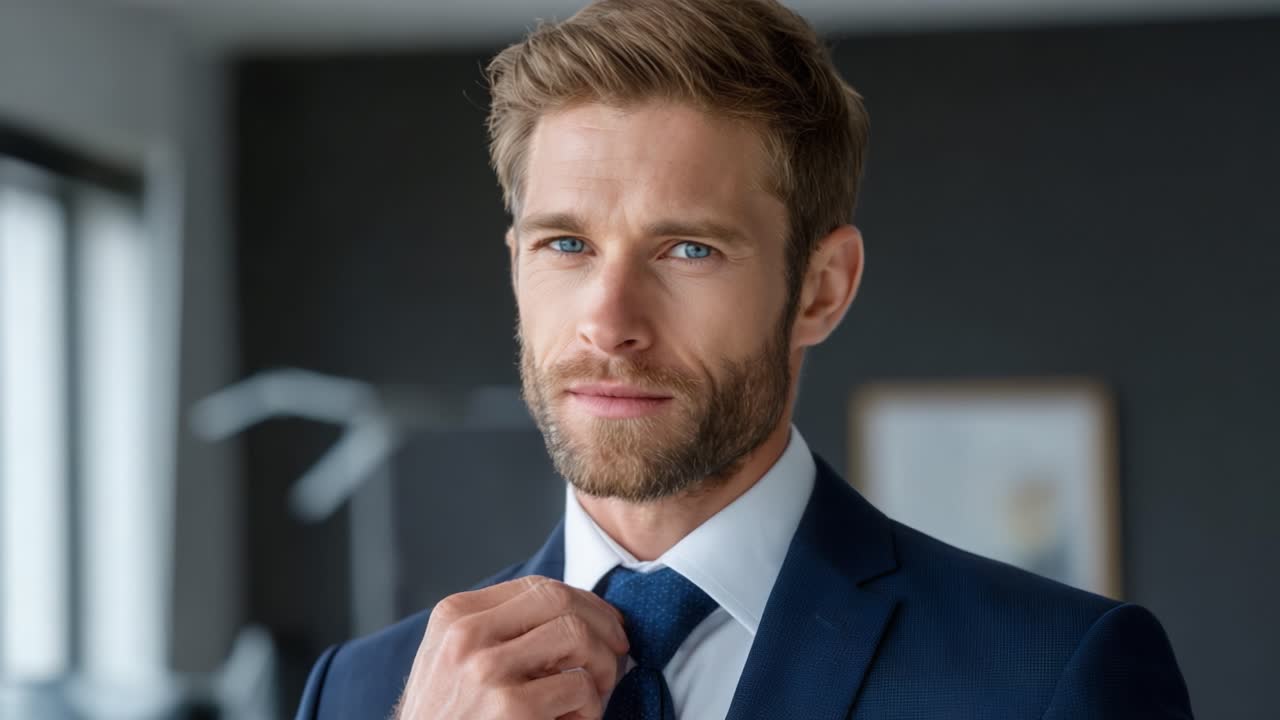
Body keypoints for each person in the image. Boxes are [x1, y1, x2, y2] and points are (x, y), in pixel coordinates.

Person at [294, 1, 1193, 718]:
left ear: (821, 288)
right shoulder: (366, 694)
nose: (608, 324)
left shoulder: (1050, 681)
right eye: (566, 245)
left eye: (689, 249)